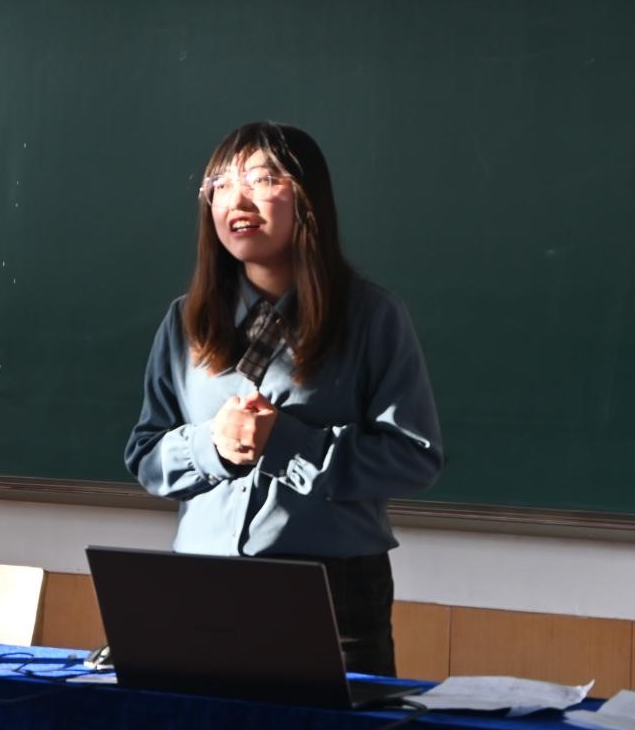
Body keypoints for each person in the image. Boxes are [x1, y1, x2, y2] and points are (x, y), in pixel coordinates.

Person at [124, 121, 443, 677]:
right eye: (221, 185)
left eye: (261, 179)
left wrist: (288, 445)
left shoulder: (371, 316)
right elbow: (146, 456)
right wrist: (212, 447)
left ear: (307, 199)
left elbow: (414, 457)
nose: (237, 199)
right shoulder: (185, 321)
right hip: (202, 582)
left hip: (332, 589)